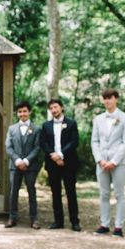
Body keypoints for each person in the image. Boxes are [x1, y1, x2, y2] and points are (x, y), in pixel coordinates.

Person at [91, 88, 125, 238]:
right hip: (101, 162)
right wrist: (100, 160)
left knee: (119, 194)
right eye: (105, 98)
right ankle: (104, 224)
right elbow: (94, 141)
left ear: (116, 99)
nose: (107, 101)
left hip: (118, 163)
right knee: (104, 193)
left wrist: (114, 161)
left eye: (110, 98)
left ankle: (119, 227)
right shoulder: (98, 119)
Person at [40, 99, 81, 232]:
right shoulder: (46, 125)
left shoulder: (71, 123)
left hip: (68, 162)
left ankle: (74, 221)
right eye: (51, 108)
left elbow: (74, 142)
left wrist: (61, 154)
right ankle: (58, 221)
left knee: (71, 192)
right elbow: (43, 143)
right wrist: (53, 155)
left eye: (56, 107)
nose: (53, 110)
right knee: (55, 192)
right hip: (52, 163)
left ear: (61, 108)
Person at [5, 101, 41, 229]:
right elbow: (8, 147)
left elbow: (37, 148)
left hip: (30, 166)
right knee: (13, 192)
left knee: (32, 191)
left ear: (29, 112)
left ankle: (34, 219)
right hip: (15, 166)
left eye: (25, 111)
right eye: (20, 111)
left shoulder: (36, 129)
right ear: (17, 113)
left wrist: (26, 161)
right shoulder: (11, 129)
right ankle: (12, 217)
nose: (22, 114)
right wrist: (17, 160)